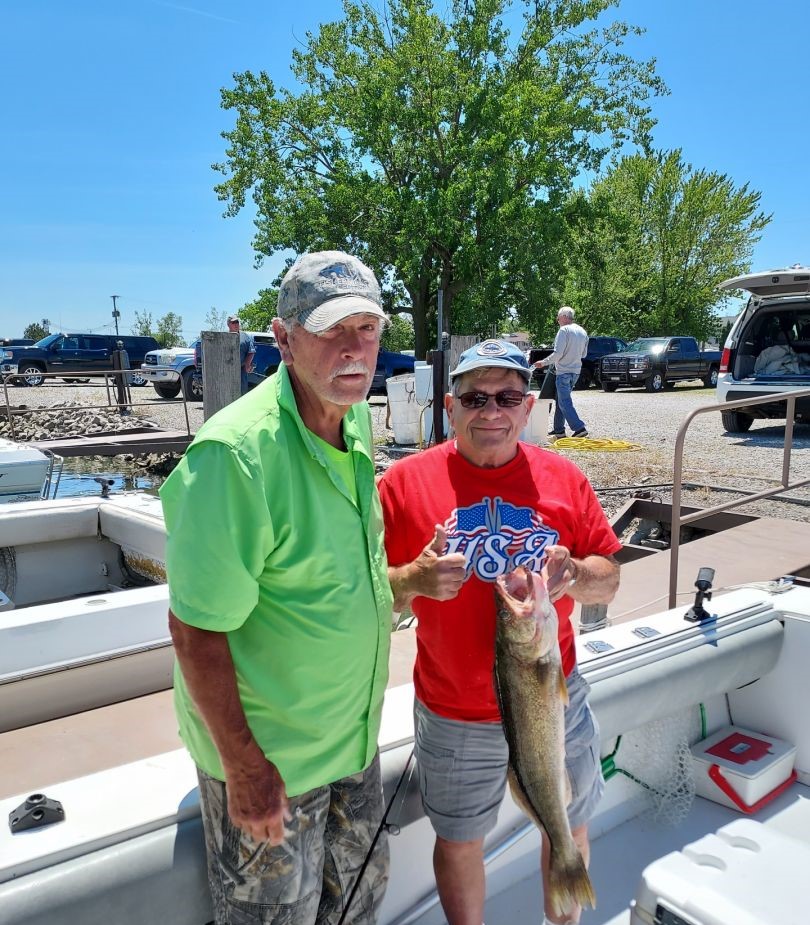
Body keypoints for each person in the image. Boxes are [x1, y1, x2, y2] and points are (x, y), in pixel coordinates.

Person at [161, 250, 394, 925]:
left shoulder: (353, 419)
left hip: (352, 743)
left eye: (368, 328)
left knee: (357, 904)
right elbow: (195, 631)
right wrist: (246, 769)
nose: (355, 349)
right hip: (274, 764)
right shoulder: (235, 455)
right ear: (283, 338)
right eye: (331, 330)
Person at [378, 339, 621, 925]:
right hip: (453, 711)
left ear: (529, 404)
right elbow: (363, 591)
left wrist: (576, 573)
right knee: (460, 840)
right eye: (475, 397)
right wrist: (412, 578)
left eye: (507, 396)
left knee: (568, 822)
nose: (492, 410)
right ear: (449, 405)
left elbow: (608, 579)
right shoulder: (402, 484)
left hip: (555, 699)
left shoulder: (564, 477)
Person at [534, 306, 589, 439]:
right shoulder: (582, 331)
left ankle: (579, 428)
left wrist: (543, 362)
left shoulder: (564, 331)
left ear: (564, 317)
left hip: (563, 371)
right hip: (575, 372)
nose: (557, 320)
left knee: (564, 402)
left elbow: (558, 353)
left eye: (558, 317)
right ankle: (559, 430)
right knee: (561, 400)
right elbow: (584, 354)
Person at [227, 313, 256, 395]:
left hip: (241, 371)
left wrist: (247, 365)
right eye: (234, 322)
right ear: (228, 325)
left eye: (237, 322)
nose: (236, 324)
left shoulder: (245, 336)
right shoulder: (223, 337)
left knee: (241, 393)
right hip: (226, 370)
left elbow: (251, 351)